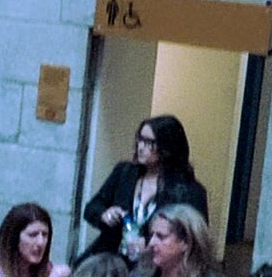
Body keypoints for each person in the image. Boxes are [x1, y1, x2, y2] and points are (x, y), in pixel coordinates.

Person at [80, 113, 206, 265]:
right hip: (112, 261)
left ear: (167, 146)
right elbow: (92, 208)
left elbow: (195, 238)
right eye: (140, 140)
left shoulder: (189, 191)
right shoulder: (124, 173)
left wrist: (149, 242)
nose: (140, 147)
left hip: (156, 267)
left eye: (149, 142)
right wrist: (105, 215)